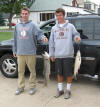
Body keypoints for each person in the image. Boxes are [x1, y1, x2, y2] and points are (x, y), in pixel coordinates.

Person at [13, 7, 48, 95]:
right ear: (21, 14)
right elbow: (15, 39)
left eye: (26, 14)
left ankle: (32, 87)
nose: (24, 15)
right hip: (20, 53)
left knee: (32, 71)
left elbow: (40, 34)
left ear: (28, 14)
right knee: (20, 71)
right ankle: (20, 87)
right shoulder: (17, 26)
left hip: (31, 52)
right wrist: (15, 50)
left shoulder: (33, 25)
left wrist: (43, 37)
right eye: (23, 13)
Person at [49, 8, 81, 99]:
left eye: (60, 15)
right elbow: (51, 42)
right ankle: (60, 90)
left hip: (68, 54)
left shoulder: (70, 26)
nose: (58, 17)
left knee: (68, 73)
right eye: (57, 15)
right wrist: (51, 54)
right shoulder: (53, 28)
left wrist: (77, 38)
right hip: (57, 55)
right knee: (59, 73)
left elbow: (76, 35)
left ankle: (68, 90)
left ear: (64, 15)